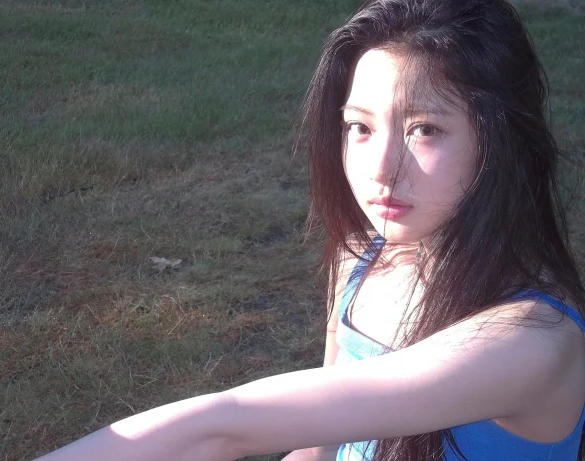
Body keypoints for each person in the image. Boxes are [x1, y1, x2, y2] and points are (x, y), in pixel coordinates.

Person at [35, 0, 585, 460]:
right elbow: (321, 442)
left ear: (501, 142)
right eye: (360, 127)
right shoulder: (363, 257)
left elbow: (224, 425)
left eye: (424, 129)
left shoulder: (532, 341)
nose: (381, 169)